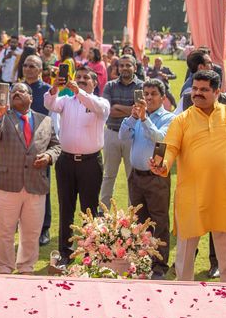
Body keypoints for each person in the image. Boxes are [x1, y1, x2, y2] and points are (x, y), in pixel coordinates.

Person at [150, 70, 226, 282]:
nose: (197, 94)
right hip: (193, 195)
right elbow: (169, 147)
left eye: (204, 90)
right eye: (195, 89)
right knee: (184, 260)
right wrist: (162, 164)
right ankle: (184, 303)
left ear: (217, 92)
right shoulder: (182, 120)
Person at [0, 82, 61, 274]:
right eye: (13, 91)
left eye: (22, 91)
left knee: (32, 232)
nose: (16, 93)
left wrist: (48, 157)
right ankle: (4, 266)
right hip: (7, 184)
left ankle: (26, 267)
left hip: (36, 184)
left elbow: (56, 146)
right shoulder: (4, 117)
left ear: (31, 98)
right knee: (4, 231)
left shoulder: (45, 121)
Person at [45, 68, 109, 265]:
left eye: (85, 78)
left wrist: (78, 92)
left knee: (89, 209)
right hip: (66, 161)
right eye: (78, 77)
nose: (80, 80)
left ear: (94, 83)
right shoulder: (66, 101)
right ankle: (66, 252)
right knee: (66, 207)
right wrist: (56, 86)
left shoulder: (100, 103)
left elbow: (97, 107)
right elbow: (49, 103)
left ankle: (90, 253)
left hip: (90, 163)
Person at [118, 77, 175, 277]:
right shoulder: (138, 115)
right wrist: (133, 117)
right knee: (138, 222)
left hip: (156, 176)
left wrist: (143, 118)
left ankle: (159, 265)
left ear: (163, 97)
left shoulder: (169, 118)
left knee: (158, 222)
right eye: (145, 94)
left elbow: (160, 138)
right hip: (136, 176)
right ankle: (140, 262)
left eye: (153, 94)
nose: (148, 98)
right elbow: (122, 137)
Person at [100, 54, 142, 208]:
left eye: (128, 65)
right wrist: (131, 110)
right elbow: (109, 111)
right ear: (117, 68)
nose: (124, 68)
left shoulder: (142, 87)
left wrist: (119, 108)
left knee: (132, 177)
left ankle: (132, 216)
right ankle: (102, 213)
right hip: (111, 133)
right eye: (121, 65)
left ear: (135, 68)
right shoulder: (110, 86)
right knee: (109, 175)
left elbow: (140, 111)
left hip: (133, 136)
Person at [21, 54, 53, 245]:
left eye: (33, 66)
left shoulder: (47, 92)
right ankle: (18, 222)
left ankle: (44, 228)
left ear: (40, 70)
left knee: (42, 187)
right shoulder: (17, 89)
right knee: (17, 187)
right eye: (25, 65)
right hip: (18, 145)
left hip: (40, 144)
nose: (28, 68)